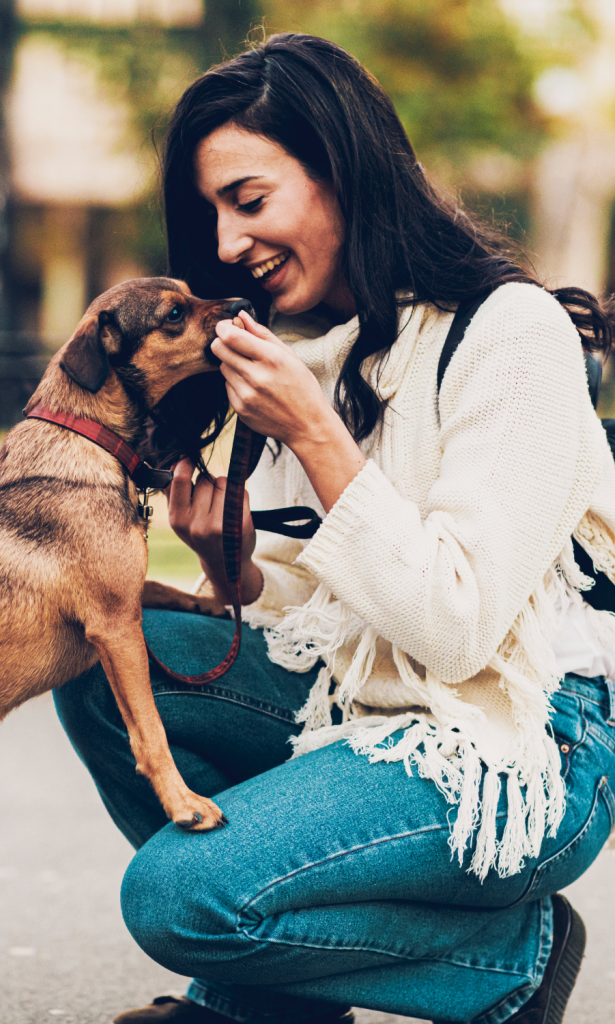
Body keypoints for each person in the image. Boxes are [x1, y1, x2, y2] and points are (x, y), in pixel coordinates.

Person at [52, 32, 615, 1024]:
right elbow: (327, 607)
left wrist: (316, 435)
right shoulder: (321, 348)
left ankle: (507, 958)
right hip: (362, 698)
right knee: (103, 658)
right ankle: (272, 1005)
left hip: (522, 741)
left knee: (174, 898)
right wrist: (234, 571)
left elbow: (455, 629)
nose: (227, 247)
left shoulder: (508, 334)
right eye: (210, 216)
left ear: (343, 171)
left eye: (250, 201)